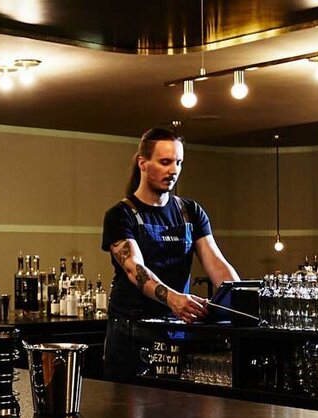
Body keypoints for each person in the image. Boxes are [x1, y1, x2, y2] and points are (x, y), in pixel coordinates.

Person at [100, 127, 240, 381]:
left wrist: (241, 298)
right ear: (143, 163)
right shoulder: (121, 215)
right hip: (131, 330)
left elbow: (216, 262)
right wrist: (173, 298)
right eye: (165, 162)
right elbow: (134, 268)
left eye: (179, 163)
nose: (174, 170)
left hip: (175, 328)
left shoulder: (190, 211)